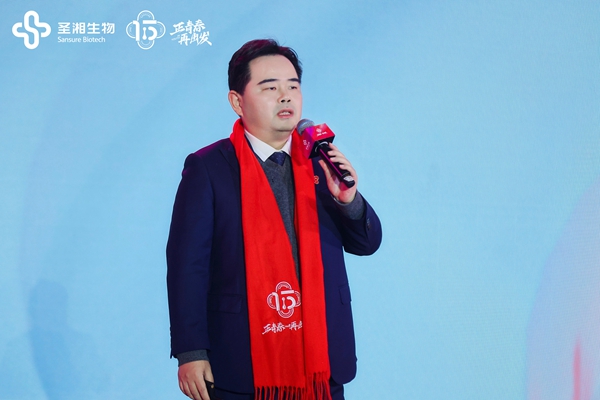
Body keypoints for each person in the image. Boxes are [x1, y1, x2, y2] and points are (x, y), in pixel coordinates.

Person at [166, 39, 382, 400]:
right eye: (270, 88)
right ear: (237, 101)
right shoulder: (209, 168)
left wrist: (349, 201)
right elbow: (188, 267)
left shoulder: (320, 162)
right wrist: (191, 351)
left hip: (322, 361)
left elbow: (367, 243)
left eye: (293, 87)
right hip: (242, 357)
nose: (286, 97)